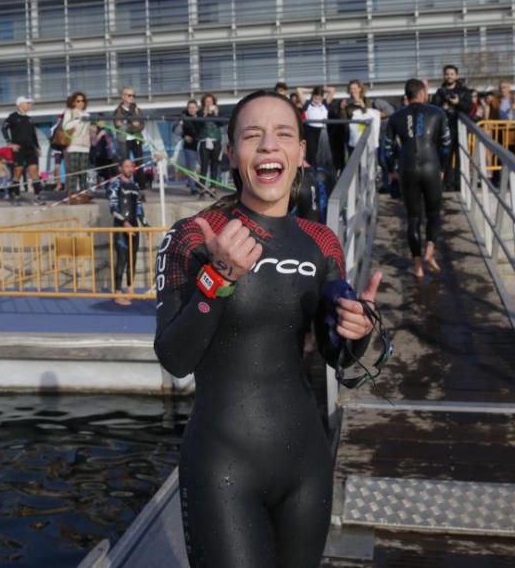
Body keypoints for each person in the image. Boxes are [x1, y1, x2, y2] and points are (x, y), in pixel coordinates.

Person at [154, 89, 381, 568]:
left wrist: (355, 330)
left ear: (301, 152)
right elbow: (175, 358)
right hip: (223, 466)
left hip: (306, 463)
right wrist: (218, 278)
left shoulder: (320, 241)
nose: (268, 146)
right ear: (233, 154)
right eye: (252, 136)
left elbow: (334, 353)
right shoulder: (196, 235)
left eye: (283, 135)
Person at [386, 78, 452, 277]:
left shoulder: (395, 117)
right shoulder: (438, 113)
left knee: (413, 218)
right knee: (433, 213)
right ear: (423, 94)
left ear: (406, 95)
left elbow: (388, 149)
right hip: (431, 166)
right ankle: (429, 252)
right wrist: (443, 168)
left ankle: (417, 266)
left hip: (407, 168)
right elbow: (447, 145)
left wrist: (391, 170)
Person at [107, 158, 147, 306]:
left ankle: (130, 290)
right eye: (126, 166)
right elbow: (113, 207)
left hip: (134, 226)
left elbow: (138, 207)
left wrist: (145, 224)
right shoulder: (115, 184)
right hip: (121, 227)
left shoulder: (135, 186)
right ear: (120, 168)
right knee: (122, 259)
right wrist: (125, 223)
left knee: (133, 259)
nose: (130, 168)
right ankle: (117, 292)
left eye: (131, 166)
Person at [1, 96, 43, 203]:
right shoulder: (13, 116)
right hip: (18, 148)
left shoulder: (29, 118)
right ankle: (16, 196)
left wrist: (37, 147)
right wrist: (10, 143)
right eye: (27, 103)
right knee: (18, 171)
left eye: (29, 104)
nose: (29, 105)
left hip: (30, 148)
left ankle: (37, 197)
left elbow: (33, 134)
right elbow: (3, 128)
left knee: (34, 171)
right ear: (20, 104)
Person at [62, 92, 94, 203]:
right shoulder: (69, 112)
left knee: (83, 172)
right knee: (73, 171)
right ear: (73, 102)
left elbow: (88, 130)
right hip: (73, 145)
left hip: (85, 145)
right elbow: (66, 126)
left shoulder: (87, 114)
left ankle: (84, 194)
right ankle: (72, 195)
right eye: (78, 101)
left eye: (82, 101)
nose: (81, 103)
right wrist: (78, 119)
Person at [113, 86, 148, 189]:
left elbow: (141, 126)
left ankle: (141, 188)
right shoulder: (117, 111)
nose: (132, 97)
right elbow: (118, 127)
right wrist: (133, 125)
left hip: (136, 139)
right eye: (129, 95)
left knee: (139, 163)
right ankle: (125, 186)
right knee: (124, 164)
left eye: (133, 95)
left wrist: (126, 125)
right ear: (123, 96)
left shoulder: (138, 110)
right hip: (124, 141)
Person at [197, 93, 223, 196]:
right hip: (204, 141)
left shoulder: (218, 111)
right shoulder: (200, 112)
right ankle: (202, 188)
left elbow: (221, 124)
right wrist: (204, 114)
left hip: (216, 141)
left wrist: (216, 114)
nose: (208, 103)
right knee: (204, 166)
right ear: (203, 103)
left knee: (214, 166)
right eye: (206, 101)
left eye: (210, 101)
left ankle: (213, 187)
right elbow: (198, 125)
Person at [179, 100, 201, 195]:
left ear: (197, 108)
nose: (191, 109)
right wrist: (184, 136)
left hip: (201, 145)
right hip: (189, 146)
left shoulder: (201, 117)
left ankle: (203, 185)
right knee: (190, 168)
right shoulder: (184, 118)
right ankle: (193, 188)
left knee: (204, 167)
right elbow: (179, 130)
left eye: (193, 107)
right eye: (190, 108)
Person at [303, 86, 329, 167]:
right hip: (310, 130)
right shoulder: (307, 104)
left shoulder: (324, 103)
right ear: (312, 96)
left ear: (322, 97)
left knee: (324, 152)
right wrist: (312, 90)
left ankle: (323, 169)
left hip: (323, 130)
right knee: (312, 152)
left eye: (319, 98)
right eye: (315, 97)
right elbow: (299, 90)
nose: (317, 100)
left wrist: (320, 89)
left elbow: (332, 90)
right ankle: (311, 170)